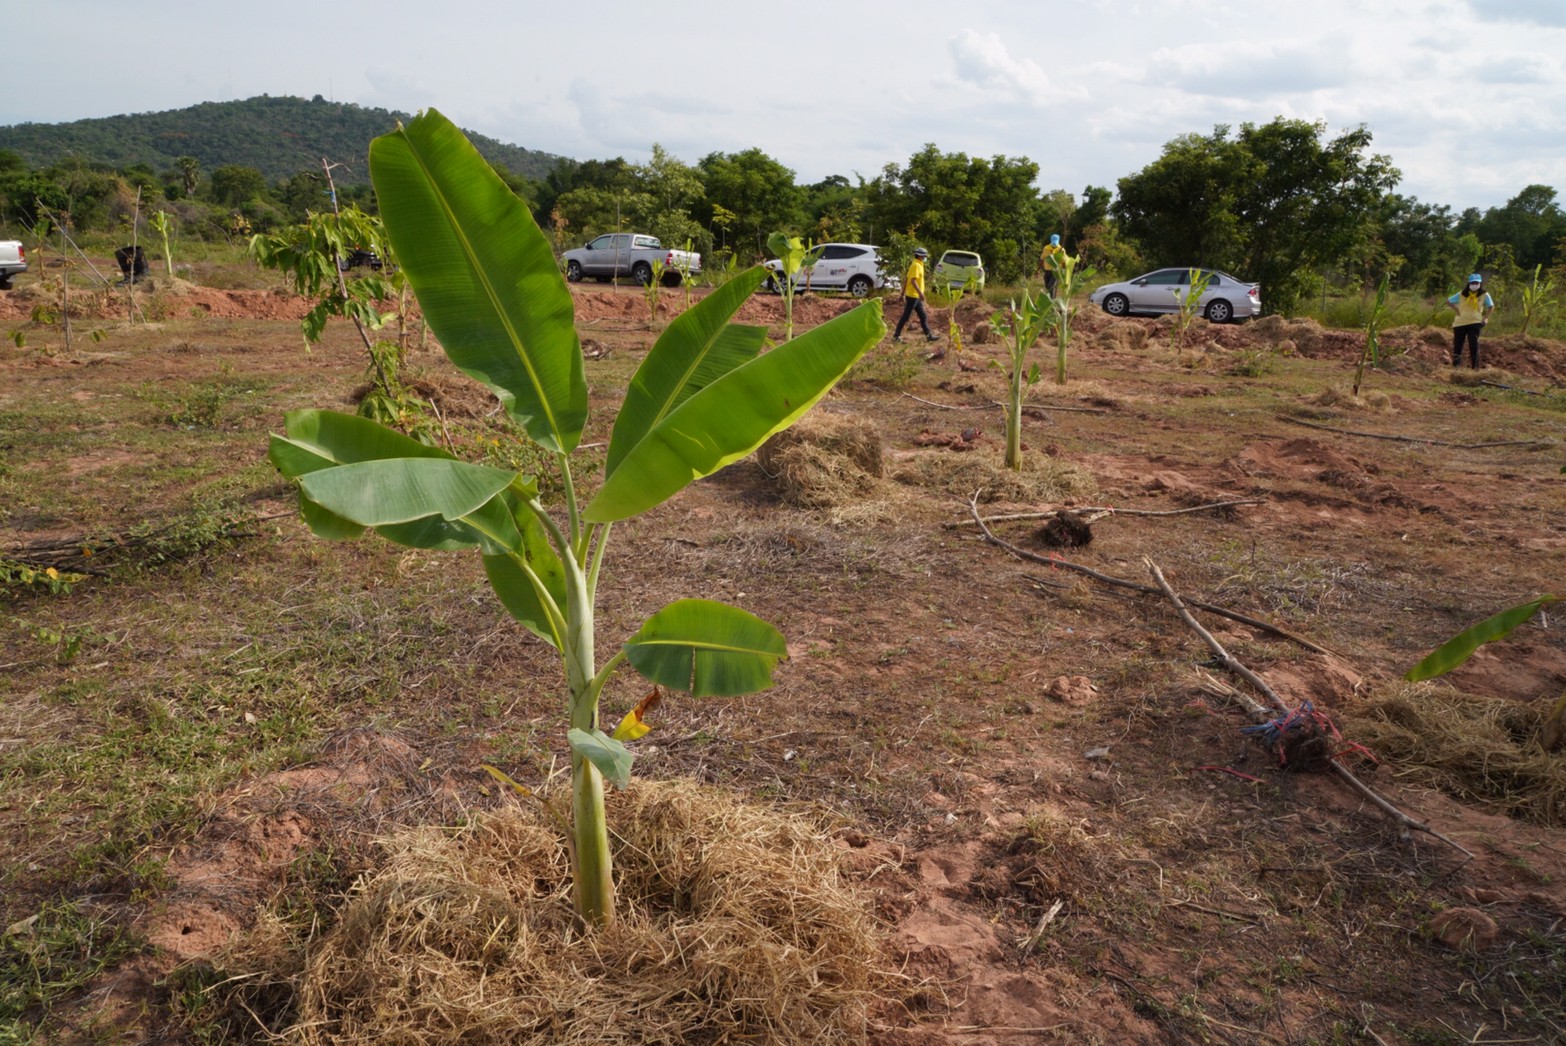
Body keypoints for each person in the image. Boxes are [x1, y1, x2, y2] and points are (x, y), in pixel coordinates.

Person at [892, 246, 939, 346]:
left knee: (923, 316)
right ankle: (896, 336)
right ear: (921, 256)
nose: (925, 258)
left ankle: (929, 336)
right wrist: (920, 293)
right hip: (913, 296)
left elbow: (907, 279)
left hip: (915, 296)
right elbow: (912, 280)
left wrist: (902, 293)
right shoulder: (916, 266)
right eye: (924, 256)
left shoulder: (918, 264)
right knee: (906, 317)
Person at [1447, 272, 1494, 368]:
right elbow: (1448, 301)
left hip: (1475, 322)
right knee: (1458, 345)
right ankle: (1456, 367)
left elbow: (1491, 306)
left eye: (1476, 283)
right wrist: (1457, 309)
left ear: (1480, 284)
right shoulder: (1461, 294)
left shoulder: (1484, 295)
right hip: (1460, 323)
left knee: (1474, 345)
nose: (1474, 285)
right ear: (1469, 283)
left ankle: (1475, 368)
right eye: (1472, 283)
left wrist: (1485, 318)